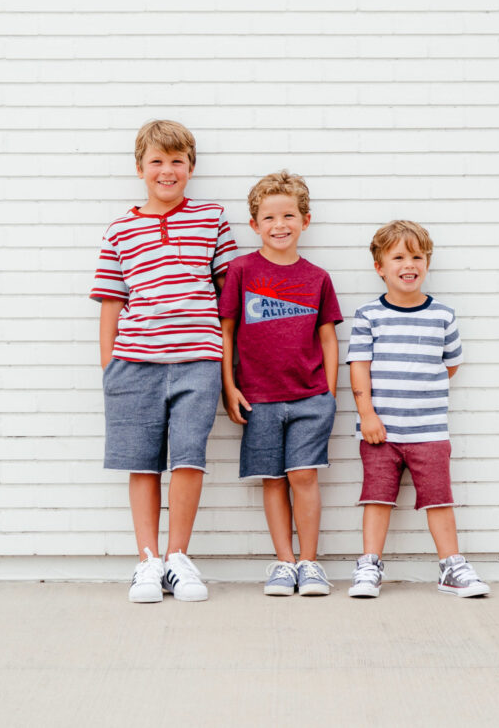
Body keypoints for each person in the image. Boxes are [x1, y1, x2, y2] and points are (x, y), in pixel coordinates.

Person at [90, 120, 237, 603]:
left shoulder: (212, 218)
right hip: (135, 365)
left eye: (177, 161)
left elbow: (228, 299)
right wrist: (110, 367)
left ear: (191, 168)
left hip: (198, 359)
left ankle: (178, 557)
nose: (167, 170)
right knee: (142, 463)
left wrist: (227, 367)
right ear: (140, 169)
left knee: (189, 457)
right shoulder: (120, 230)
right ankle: (148, 561)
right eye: (157, 161)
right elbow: (111, 304)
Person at [346, 220, 490, 598]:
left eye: (417, 256)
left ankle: (451, 567)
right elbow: (358, 367)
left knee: (439, 499)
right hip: (381, 432)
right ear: (379, 267)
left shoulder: (442, 315)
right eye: (398, 257)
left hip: (429, 433)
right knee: (377, 498)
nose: (409, 264)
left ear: (427, 263)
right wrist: (367, 416)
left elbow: (451, 364)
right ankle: (369, 565)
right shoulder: (368, 315)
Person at [219, 171, 343, 596]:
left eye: (289, 215)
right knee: (273, 479)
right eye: (269, 217)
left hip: (310, 397)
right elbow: (227, 332)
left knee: (303, 476)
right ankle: (284, 562)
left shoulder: (317, 277)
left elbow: (328, 336)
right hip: (259, 399)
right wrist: (228, 386)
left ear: (305, 220)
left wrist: (328, 391)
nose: (280, 225)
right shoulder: (241, 270)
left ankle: (310, 563)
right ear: (254, 225)